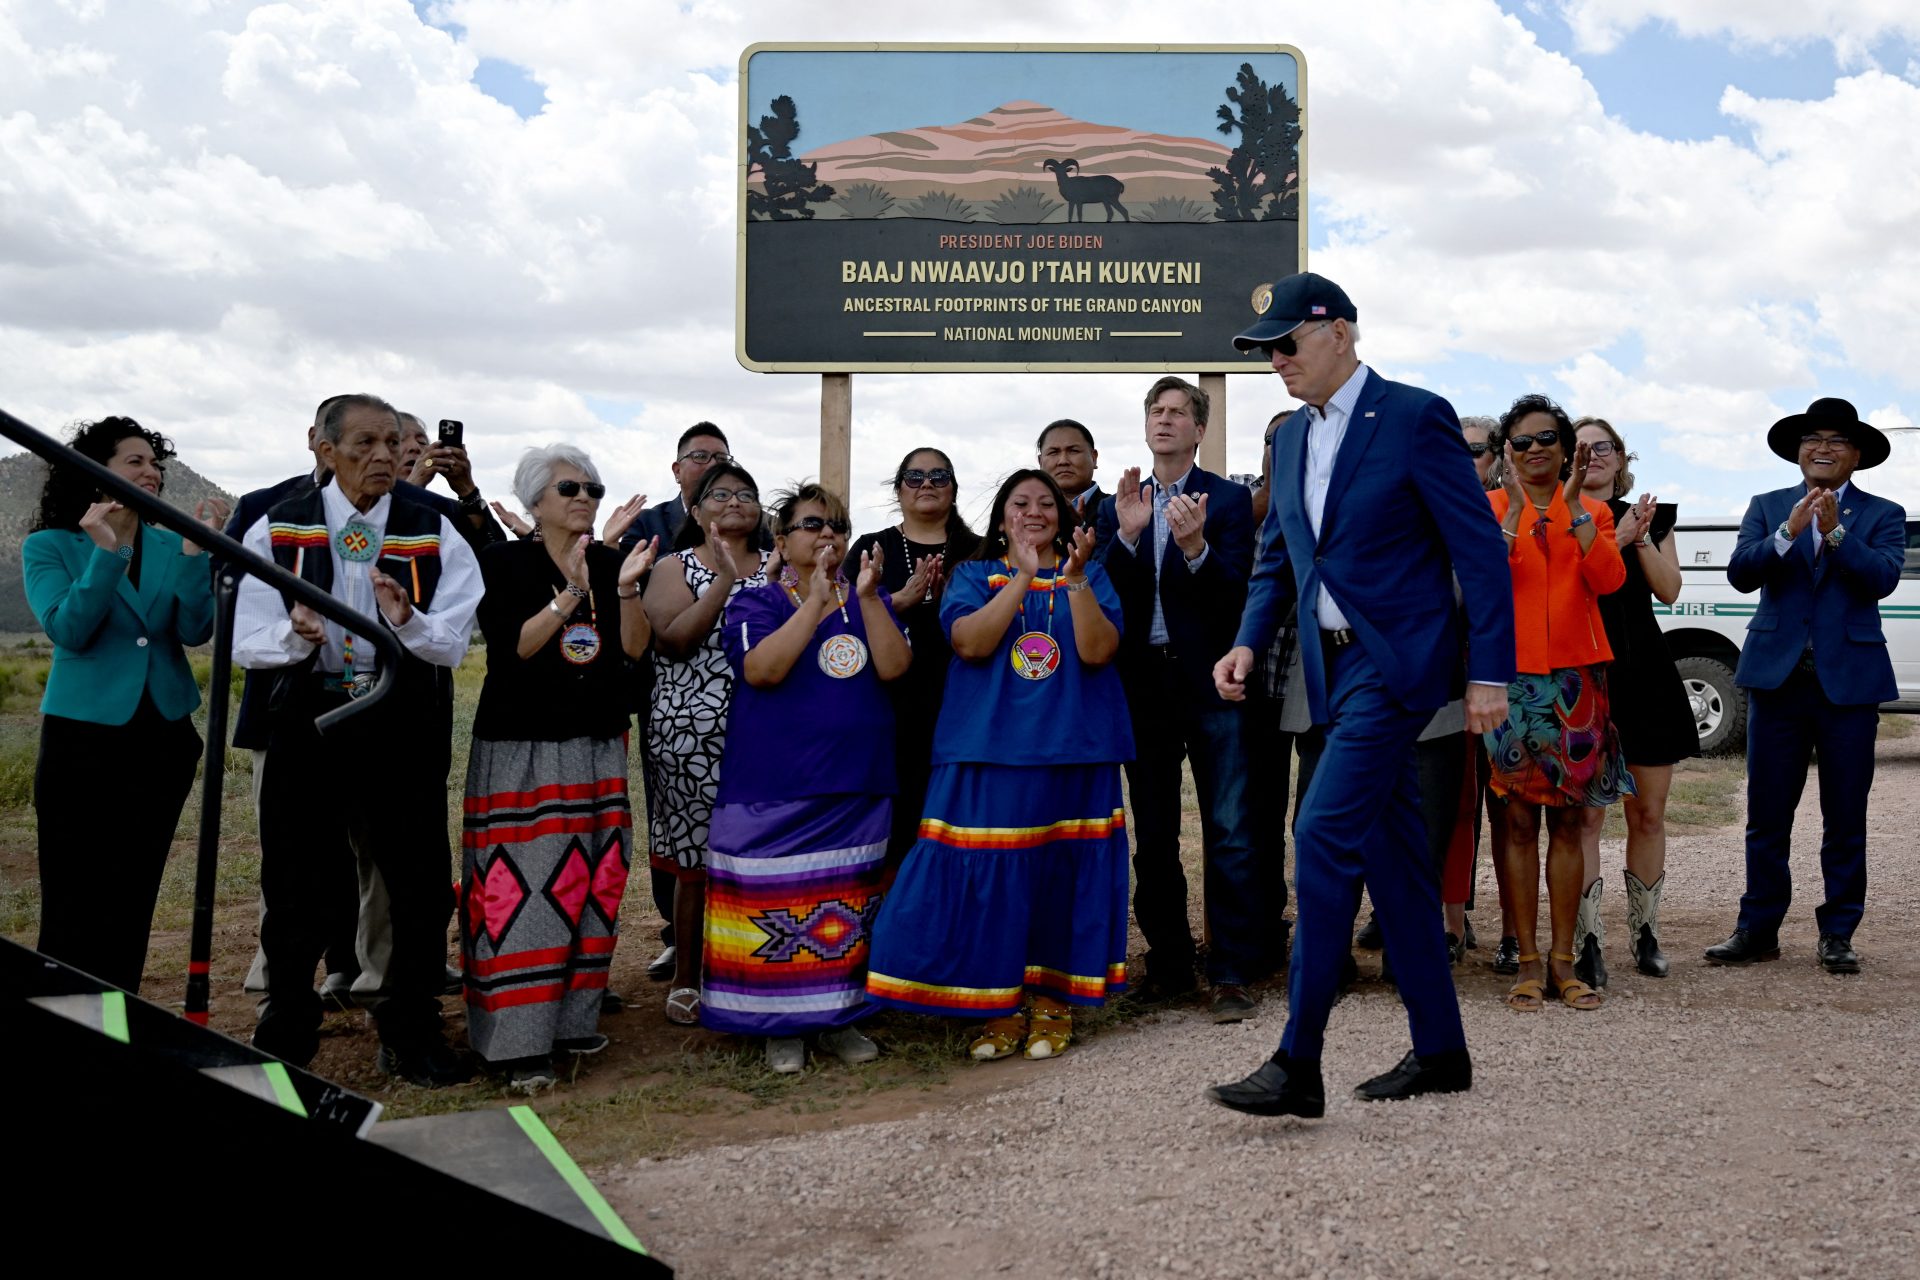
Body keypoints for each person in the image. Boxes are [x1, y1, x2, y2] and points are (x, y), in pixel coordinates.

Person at [1206, 272, 1513, 1118]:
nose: (1275, 360)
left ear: (1339, 332)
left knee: (1321, 829)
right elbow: (1278, 556)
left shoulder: (1415, 416)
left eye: (1287, 342)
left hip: (1398, 664)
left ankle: (1297, 1061)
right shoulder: (1293, 441)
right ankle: (1443, 1050)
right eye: (1265, 348)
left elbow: (1479, 554)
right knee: (1396, 861)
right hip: (1327, 667)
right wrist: (1243, 640)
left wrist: (1489, 674)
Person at [234, 393, 481, 1085]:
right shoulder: (277, 527)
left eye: (389, 442)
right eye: (364, 443)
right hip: (306, 719)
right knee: (295, 879)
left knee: (418, 882)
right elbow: (249, 637)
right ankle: (287, 1025)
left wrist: (405, 622)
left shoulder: (431, 526)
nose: (380, 456)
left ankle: (410, 1029)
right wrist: (294, 635)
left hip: (398, 719)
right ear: (324, 448)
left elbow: (453, 637)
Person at [867, 470, 1131, 1061]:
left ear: (1063, 517)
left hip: (1074, 750)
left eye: (1046, 503)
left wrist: (1075, 578)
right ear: (1000, 516)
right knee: (990, 883)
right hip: (988, 750)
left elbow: (1097, 651)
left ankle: (1054, 1001)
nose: (1034, 511)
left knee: (1060, 877)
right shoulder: (969, 574)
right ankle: (998, 1003)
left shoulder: (1090, 574)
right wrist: (1025, 578)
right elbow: (972, 643)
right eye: (1020, 503)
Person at [461, 446, 658, 1092]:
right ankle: (519, 1046)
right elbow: (516, 649)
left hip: (599, 744)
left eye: (593, 488)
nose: (585, 497)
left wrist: (624, 587)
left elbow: (631, 649)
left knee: (593, 883)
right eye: (570, 487)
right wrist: (572, 592)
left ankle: (571, 1025)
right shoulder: (504, 562)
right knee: (523, 891)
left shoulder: (610, 562)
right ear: (535, 500)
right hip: (524, 749)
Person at [708, 484, 915, 1072]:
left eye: (837, 525)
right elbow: (762, 669)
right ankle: (780, 1028)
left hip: (857, 781)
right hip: (774, 785)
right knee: (775, 905)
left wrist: (869, 601)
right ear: (781, 541)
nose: (828, 533)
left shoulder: (869, 599)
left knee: (844, 906)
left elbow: (895, 667)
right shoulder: (757, 600)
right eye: (811, 524)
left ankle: (838, 1018)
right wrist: (812, 604)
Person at [1706, 399, 1906, 976]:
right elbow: (1742, 573)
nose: (1822, 448)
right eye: (1812, 439)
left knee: (1845, 815)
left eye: (1837, 441)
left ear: (1857, 456)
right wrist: (1786, 535)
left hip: (1850, 684)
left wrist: (1836, 533)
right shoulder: (1767, 506)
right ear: (1798, 452)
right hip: (1777, 679)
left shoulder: (1883, 513)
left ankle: (1838, 932)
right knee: (1767, 814)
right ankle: (1758, 928)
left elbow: (1883, 578)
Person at [23, 417, 222, 992]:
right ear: (94, 471)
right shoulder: (50, 545)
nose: (150, 472)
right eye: (134, 462)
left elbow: (193, 630)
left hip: (162, 736)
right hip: (82, 739)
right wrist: (107, 555)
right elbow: (69, 629)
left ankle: (119, 1014)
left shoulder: (170, 541)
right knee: (73, 891)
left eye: (154, 463)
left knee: (135, 889)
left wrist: (192, 556)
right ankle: (62, 1015)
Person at [1093, 376, 1259, 1019]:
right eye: (1155, 412)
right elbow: (1104, 593)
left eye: (1178, 413)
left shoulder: (1228, 499)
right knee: (1155, 833)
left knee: (1229, 830)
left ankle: (1231, 969)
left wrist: (1195, 549)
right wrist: (1130, 538)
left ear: (1199, 429)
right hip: (1144, 686)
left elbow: (1240, 593)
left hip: (1211, 682)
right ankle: (1168, 964)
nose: (1164, 421)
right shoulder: (1118, 503)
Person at [1481, 394, 1631, 1013]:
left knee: (1570, 823)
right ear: (1507, 452)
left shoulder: (1591, 510)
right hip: (1510, 683)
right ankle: (1526, 959)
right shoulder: (1487, 507)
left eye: (1547, 438)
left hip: (1576, 686)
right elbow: (1487, 578)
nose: (1534, 449)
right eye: (1521, 441)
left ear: (1567, 449)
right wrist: (1515, 512)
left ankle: (1566, 962)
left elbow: (1610, 581)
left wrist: (1571, 510)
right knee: (1515, 823)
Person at [642, 462, 774, 1025]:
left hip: (770, 728)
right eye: (719, 494)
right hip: (692, 733)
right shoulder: (675, 566)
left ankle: (754, 967)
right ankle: (688, 978)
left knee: (764, 851)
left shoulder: (778, 564)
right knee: (696, 858)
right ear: (694, 512)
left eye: (745, 493)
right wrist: (722, 579)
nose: (735, 501)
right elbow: (673, 640)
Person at [1572, 416, 1694, 983]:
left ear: (1621, 459)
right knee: (1587, 821)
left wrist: (1639, 533)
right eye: (1580, 448)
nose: (1592, 455)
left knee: (1647, 814)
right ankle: (1586, 941)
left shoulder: (1655, 517)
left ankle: (1646, 935)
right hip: (1584, 675)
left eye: (1603, 447)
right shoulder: (1561, 517)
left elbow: (1669, 589)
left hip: (1644, 673)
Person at [847, 448, 981, 864]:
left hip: (962, 707)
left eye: (939, 476)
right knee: (894, 834)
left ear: (954, 490)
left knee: (955, 830)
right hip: (885, 708)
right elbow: (840, 624)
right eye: (915, 476)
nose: (927, 484)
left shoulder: (979, 550)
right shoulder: (871, 548)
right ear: (899, 489)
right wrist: (894, 602)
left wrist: (954, 605)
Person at [1039, 419, 1105, 528]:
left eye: (1073, 451)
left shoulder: (1118, 510)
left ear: (1094, 458)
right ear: (1040, 462)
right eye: (1053, 452)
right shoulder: (1028, 514)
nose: (1063, 461)